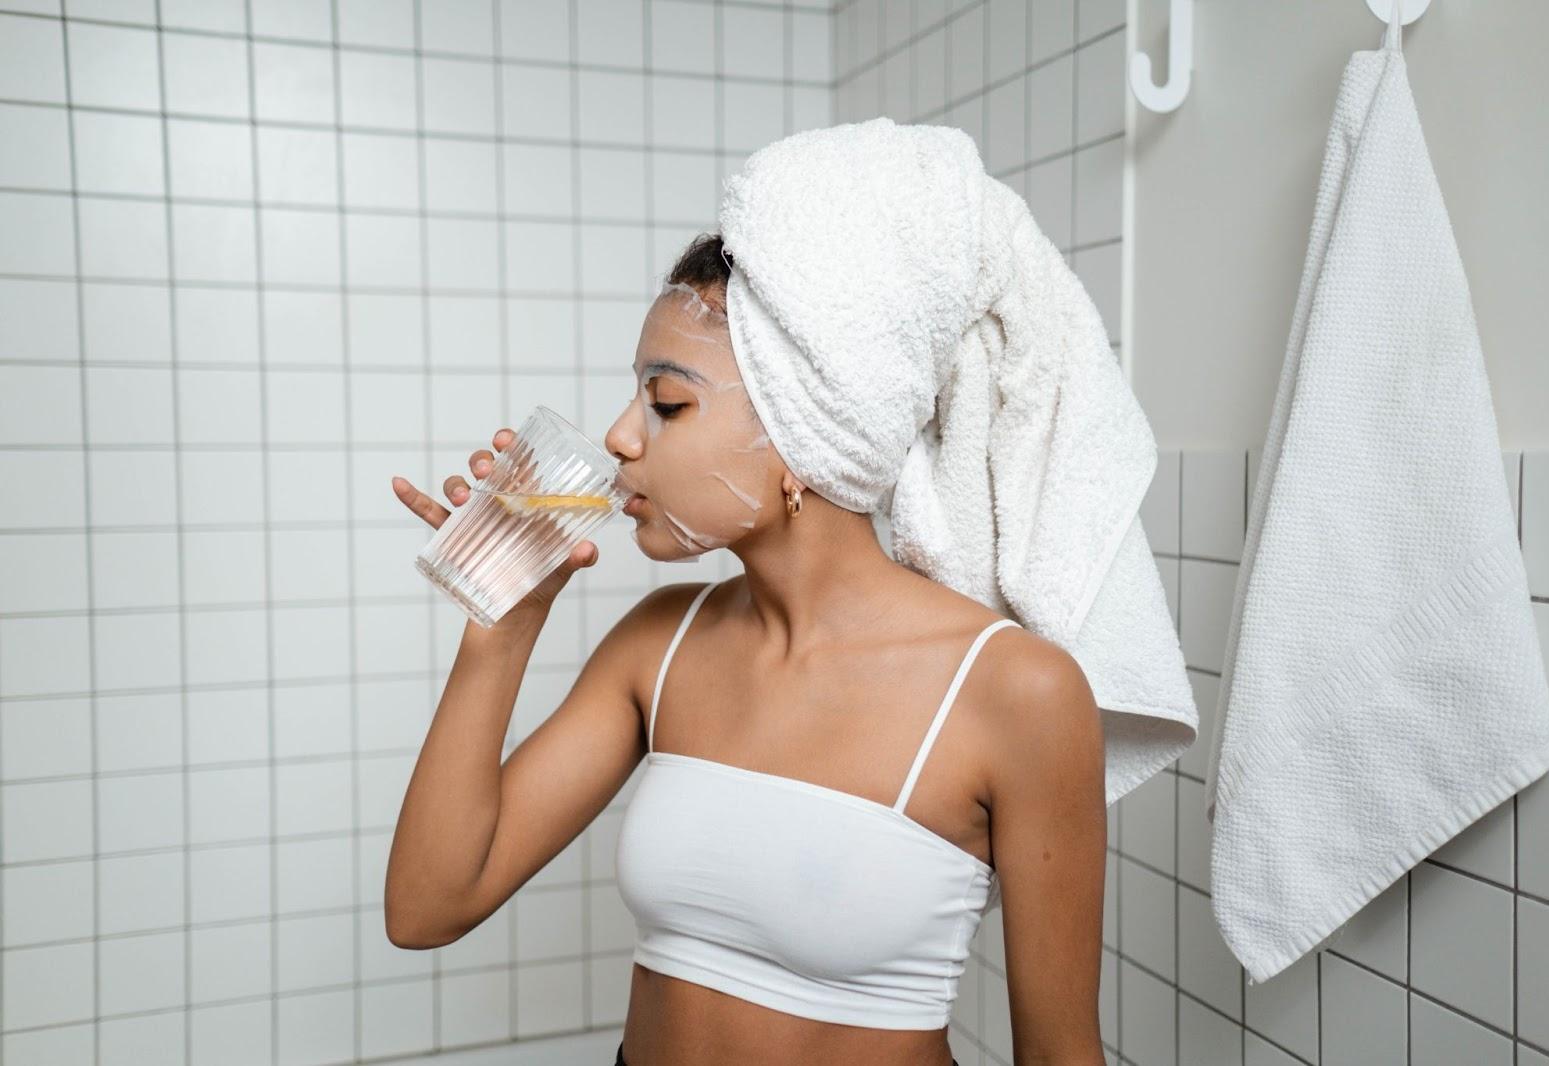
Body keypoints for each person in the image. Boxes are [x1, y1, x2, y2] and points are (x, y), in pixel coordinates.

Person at [385, 229, 1108, 1065]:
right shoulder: (659, 645)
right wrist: (500, 630)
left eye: (665, 403)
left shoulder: (1016, 691)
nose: (620, 437)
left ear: (801, 435)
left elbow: (1061, 1056)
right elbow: (427, 909)